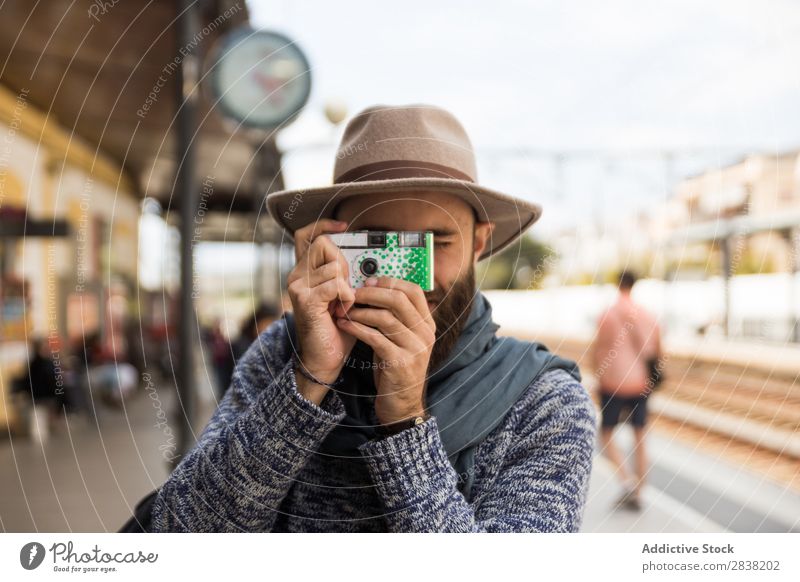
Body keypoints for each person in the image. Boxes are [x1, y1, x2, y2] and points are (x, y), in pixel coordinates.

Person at [150, 104, 597, 532]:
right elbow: (178, 532)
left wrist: (404, 419)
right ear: (329, 243)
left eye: (434, 243)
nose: (407, 282)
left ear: (479, 243)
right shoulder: (282, 355)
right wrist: (307, 381)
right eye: (377, 247)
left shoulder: (543, 401)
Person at [591, 270, 662, 512]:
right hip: (640, 383)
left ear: (617, 284)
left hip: (612, 384)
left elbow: (599, 350)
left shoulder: (607, 314)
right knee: (640, 435)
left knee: (606, 434)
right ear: (634, 285)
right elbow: (658, 350)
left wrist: (598, 376)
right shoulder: (648, 314)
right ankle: (640, 491)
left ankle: (627, 481)